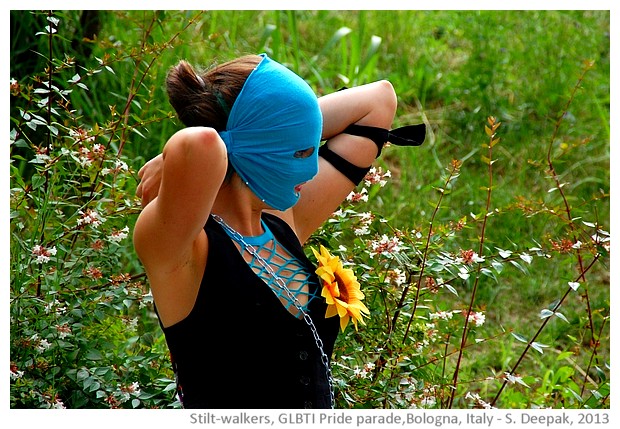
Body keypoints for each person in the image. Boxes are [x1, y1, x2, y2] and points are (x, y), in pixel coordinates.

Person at [133, 53, 424, 409]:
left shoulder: (283, 222)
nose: (312, 171)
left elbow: (378, 101)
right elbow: (198, 147)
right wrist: (235, 140)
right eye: (301, 152)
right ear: (256, 150)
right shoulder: (183, 250)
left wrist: (276, 131)